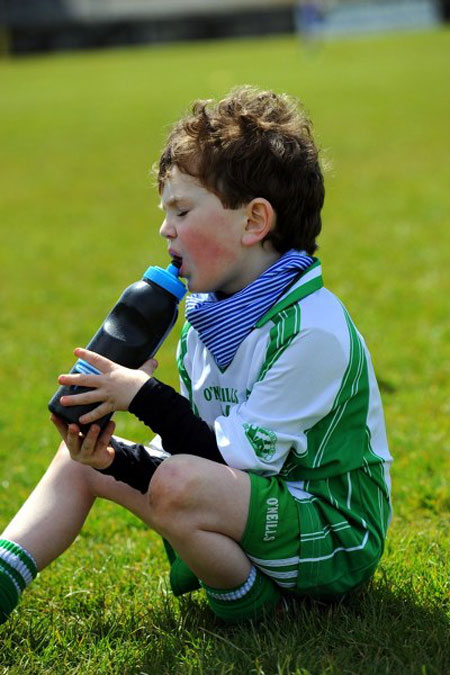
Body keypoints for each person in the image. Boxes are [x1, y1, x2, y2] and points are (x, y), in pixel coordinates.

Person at [0, 86, 392, 625]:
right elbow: (200, 450)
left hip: (329, 534)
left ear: (254, 222)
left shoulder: (313, 329)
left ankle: (259, 608)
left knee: (182, 483)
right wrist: (113, 461)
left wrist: (145, 397)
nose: (165, 228)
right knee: (81, 461)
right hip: (238, 496)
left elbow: (223, 464)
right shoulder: (203, 319)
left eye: (182, 209)